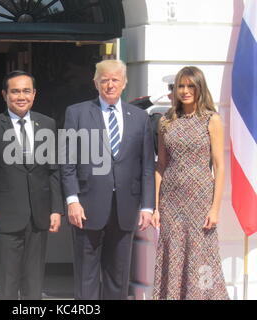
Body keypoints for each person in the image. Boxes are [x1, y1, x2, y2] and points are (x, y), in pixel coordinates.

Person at [60, 59, 155, 300]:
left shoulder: (140, 117)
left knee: (118, 275)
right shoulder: (77, 113)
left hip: (125, 207)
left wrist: (147, 205)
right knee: (86, 275)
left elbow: (146, 165)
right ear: (96, 83)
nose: (110, 85)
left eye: (115, 80)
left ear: (124, 83)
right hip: (86, 206)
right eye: (105, 80)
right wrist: (72, 200)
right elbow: (67, 161)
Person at [0, 70, 64, 300]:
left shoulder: (48, 124)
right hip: (4, 217)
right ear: (5, 94)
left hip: (39, 215)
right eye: (15, 91)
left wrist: (56, 208)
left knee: (34, 283)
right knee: (8, 283)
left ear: (34, 94)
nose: (21, 96)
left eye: (26, 91)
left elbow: (53, 169)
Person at [152, 66, 229, 300]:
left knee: (201, 255)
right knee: (172, 254)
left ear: (199, 88)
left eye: (190, 86)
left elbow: (219, 166)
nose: (185, 91)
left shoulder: (211, 119)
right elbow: (161, 166)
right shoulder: (166, 121)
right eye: (180, 86)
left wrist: (215, 209)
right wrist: (156, 206)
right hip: (171, 201)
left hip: (200, 201)